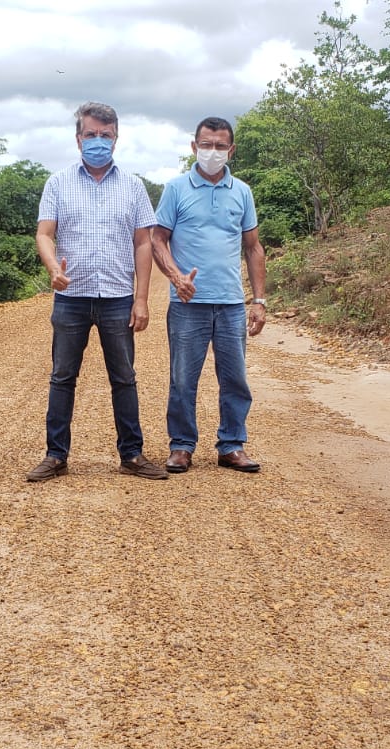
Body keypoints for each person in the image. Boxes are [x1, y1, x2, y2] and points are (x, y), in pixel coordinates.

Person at [26, 102, 168, 482]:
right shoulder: (58, 183)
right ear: (78, 139)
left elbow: (143, 242)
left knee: (123, 377)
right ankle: (56, 455)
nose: (98, 142)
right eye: (91, 135)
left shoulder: (133, 185)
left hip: (118, 297)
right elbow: (44, 233)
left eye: (106, 135)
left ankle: (132, 455)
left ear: (116, 139)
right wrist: (54, 268)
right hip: (71, 298)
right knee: (62, 377)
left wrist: (141, 298)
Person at [150, 116, 268, 474]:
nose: (212, 152)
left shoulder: (242, 192)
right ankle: (182, 446)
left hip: (231, 303)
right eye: (206, 144)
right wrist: (175, 276)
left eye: (219, 146)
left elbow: (253, 248)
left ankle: (232, 445)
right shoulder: (175, 189)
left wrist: (258, 300)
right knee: (183, 379)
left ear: (231, 150)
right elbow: (158, 239)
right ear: (194, 147)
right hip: (188, 305)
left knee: (235, 378)